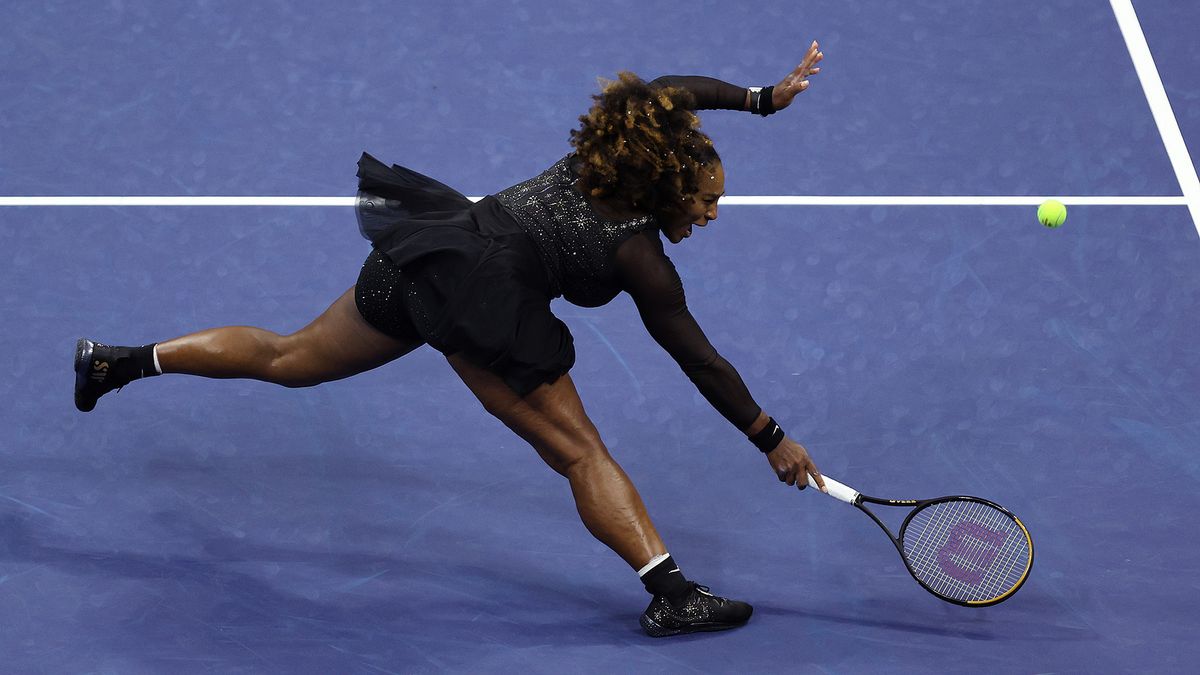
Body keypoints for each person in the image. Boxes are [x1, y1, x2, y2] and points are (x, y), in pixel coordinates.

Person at [74, 42, 827, 637]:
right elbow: (699, 358)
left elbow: (666, 92)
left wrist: (761, 100)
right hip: (479, 301)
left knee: (288, 356)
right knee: (579, 451)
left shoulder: (610, 154)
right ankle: (671, 596)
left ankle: (119, 362)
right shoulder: (641, 257)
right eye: (707, 199)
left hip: (430, 247)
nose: (715, 212)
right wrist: (772, 437)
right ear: (666, 189)